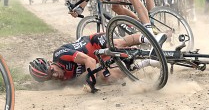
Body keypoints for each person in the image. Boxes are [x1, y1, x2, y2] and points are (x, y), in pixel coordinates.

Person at [29, 32, 167, 83]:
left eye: (52, 71)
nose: (55, 76)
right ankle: (146, 62)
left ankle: (152, 38)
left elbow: (89, 61)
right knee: (108, 78)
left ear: (50, 63)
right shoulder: (59, 78)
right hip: (98, 59)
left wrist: (92, 81)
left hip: (95, 44)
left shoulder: (60, 55)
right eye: (50, 78)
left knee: (118, 44)